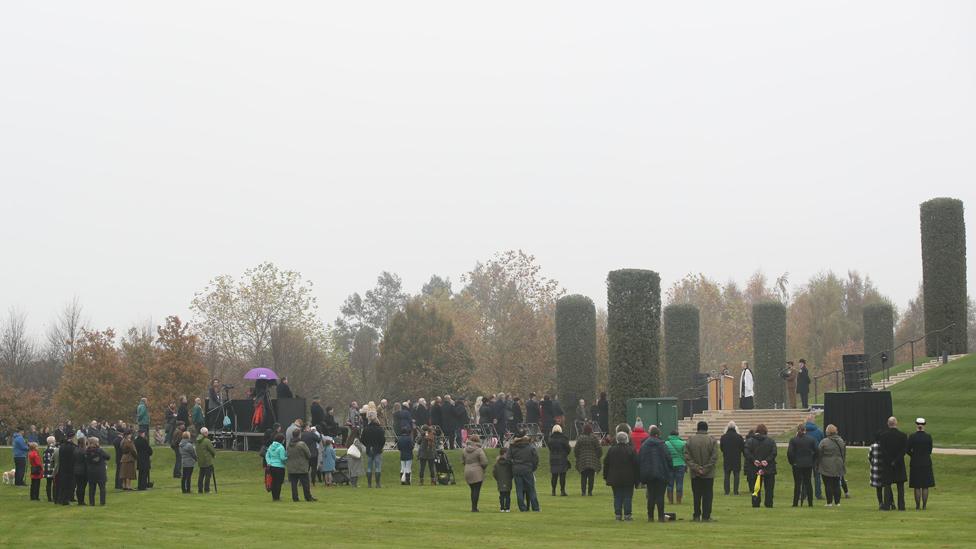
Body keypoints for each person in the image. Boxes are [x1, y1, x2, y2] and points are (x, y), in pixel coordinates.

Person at [684, 421, 719, 522]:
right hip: (708, 474)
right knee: (707, 495)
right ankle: (706, 516)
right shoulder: (712, 440)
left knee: (696, 495)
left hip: (695, 474)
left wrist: (696, 468)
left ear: (697, 428)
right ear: (706, 429)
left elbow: (687, 456)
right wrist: (706, 468)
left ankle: (696, 515)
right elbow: (714, 457)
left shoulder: (690, 440)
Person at [638, 425, 673, 522]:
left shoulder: (644, 445)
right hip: (661, 473)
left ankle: (650, 517)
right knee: (660, 496)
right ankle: (661, 517)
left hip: (648, 473)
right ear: (657, 434)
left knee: (651, 495)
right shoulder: (662, 444)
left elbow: (640, 458)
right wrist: (670, 468)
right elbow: (668, 458)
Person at [604, 431, 639, 521]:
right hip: (629, 478)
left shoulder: (611, 450)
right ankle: (627, 514)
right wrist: (637, 478)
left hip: (615, 478)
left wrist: (606, 476)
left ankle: (618, 514)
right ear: (626, 439)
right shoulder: (631, 450)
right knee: (628, 497)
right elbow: (636, 465)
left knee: (617, 496)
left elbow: (606, 464)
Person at [879, 416, 908, 511]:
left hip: (887, 464)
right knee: (900, 487)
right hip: (899, 463)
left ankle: (887, 505)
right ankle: (901, 506)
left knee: (887, 486)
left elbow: (883, 450)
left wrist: (890, 460)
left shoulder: (883, 436)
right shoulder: (903, 435)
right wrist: (896, 460)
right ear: (896, 423)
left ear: (888, 424)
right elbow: (904, 450)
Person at [745, 423, 777, 508]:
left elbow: (747, 452)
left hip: (754, 467)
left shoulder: (750, 441)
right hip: (768, 467)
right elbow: (774, 452)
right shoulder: (771, 441)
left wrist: (753, 460)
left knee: (755, 487)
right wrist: (767, 460)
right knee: (769, 488)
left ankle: (755, 502)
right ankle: (769, 503)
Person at [906, 417, 934, 510]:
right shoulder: (928, 437)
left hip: (915, 463)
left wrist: (913, 455)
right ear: (924, 424)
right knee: (925, 486)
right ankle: (924, 506)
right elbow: (930, 451)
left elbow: (907, 450)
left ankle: (917, 506)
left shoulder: (912, 437)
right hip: (926, 462)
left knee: (917, 486)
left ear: (916, 424)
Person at [509, 430, 540, 512]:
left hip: (517, 470)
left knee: (519, 489)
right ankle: (535, 507)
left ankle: (522, 508)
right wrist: (533, 467)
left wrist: (513, 465)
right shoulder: (530, 446)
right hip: (527, 469)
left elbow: (508, 458)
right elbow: (536, 458)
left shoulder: (512, 447)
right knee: (531, 489)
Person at [787, 424, 816, 507]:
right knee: (808, 483)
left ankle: (795, 503)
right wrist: (812, 460)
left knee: (797, 484)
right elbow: (817, 451)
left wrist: (792, 462)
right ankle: (810, 503)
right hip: (808, 464)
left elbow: (790, 453)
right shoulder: (811, 440)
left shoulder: (793, 440)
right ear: (805, 430)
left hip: (797, 464)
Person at [817, 424, 846, 507]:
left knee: (828, 484)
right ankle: (838, 502)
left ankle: (829, 502)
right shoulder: (841, 441)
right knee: (837, 484)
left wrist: (818, 463)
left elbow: (819, 453)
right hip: (838, 464)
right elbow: (843, 453)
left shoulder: (824, 442)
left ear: (827, 432)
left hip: (826, 464)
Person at [286, 430, 315, 502]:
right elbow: (309, 454)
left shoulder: (289, 445)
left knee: (293, 484)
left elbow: (287, 455)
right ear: (299, 435)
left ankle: (295, 497)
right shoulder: (302, 444)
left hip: (292, 467)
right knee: (305, 484)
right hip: (302, 466)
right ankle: (308, 497)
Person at [574, 423, 603, 496]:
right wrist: (598, 456)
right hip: (592, 460)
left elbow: (576, 449)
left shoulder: (580, 438)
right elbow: (599, 449)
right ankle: (590, 492)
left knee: (583, 477)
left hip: (582, 460)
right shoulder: (594, 438)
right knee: (591, 477)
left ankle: (583, 492)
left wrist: (577, 457)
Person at [463, 433, 489, 512]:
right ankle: (474, 508)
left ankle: (473, 507)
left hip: (467, 470)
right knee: (476, 490)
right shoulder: (479, 450)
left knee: (472, 489)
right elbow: (484, 462)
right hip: (477, 471)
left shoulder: (464, 450)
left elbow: (462, 461)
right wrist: (483, 468)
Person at [720, 421, 744, 495]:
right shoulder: (739, 437)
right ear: (735, 427)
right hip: (736, 458)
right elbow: (742, 448)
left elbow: (722, 448)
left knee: (726, 475)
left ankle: (727, 491)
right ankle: (735, 491)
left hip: (727, 458)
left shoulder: (723, 437)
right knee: (736, 475)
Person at [804, 415, 825, 499]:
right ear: (813, 421)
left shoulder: (803, 431)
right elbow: (822, 443)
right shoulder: (819, 432)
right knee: (817, 477)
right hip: (816, 457)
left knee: (805, 476)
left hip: (805, 457)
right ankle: (818, 494)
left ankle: (804, 494)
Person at [362, 413, 385, 488]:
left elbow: (362, 439)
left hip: (369, 449)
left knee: (369, 467)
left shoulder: (366, 429)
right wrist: (380, 447)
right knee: (378, 467)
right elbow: (383, 440)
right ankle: (378, 484)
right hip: (378, 450)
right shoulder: (380, 429)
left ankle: (369, 484)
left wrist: (367, 445)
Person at [85, 437, 110, 506]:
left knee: (91, 488)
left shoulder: (87, 451)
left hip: (91, 471)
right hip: (100, 471)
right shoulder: (100, 450)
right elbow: (108, 457)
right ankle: (102, 502)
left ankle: (91, 502)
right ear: (96, 443)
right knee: (102, 488)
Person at [664, 429, 686, 505]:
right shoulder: (683, 443)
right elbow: (685, 454)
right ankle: (678, 500)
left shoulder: (666, 443)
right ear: (677, 435)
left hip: (670, 465)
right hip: (680, 464)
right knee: (679, 483)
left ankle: (670, 501)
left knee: (670, 484)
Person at [265, 433, 287, 501]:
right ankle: (277, 497)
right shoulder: (281, 447)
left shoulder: (271, 446)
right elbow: (282, 458)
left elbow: (267, 455)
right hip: (279, 467)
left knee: (273, 482)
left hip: (271, 466)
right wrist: (287, 458)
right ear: (282, 440)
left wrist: (269, 462)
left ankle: (274, 497)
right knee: (279, 482)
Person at [56, 435, 77, 504]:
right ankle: (66, 500)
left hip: (62, 468)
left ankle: (60, 499)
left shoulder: (62, 447)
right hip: (70, 468)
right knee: (68, 485)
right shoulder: (71, 447)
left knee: (62, 484)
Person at [492, 447, 514, 512]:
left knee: (501, 495)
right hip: (508, 480)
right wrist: (510, 478)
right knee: (507, 495)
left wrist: (498, 479)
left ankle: (502, 508)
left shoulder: (496, 463)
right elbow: (512, 472)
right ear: (504, 453)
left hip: (500, 481)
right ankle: (507, 508)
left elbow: (494, 473)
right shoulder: (509, 463)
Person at [196, 427, 216, 494]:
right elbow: (212, 450)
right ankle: (206, 489)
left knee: (201, 476)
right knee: (208, 476)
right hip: (207, 461)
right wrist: (213, 455)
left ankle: (200, 489)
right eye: (207, 432)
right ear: (204, 433)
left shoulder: (197, 441)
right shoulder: (207, 441)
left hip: (200, 461)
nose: (207, 433)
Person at [869, 431, 885, 510]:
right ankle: (890, 502)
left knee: (879, 488)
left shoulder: (873, 446)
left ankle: (880, 503)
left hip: (876, 469)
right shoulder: (885, 446)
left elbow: (870, 457)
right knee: (887, 486)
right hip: (884, 468)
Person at [73, 434, 88, 504]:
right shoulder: (84, 451)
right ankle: (81, 500)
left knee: (79, 486)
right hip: (83, 470)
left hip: (76, 469)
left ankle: (79, 500)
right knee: (82, 486)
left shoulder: (75, 450)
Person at [42, 436, 57, 502]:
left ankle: (49, 498)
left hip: (46, 467)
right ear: (53, 442)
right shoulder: (55, 449)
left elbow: (43, 458)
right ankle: (54, 497)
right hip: (53, 467)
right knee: (54, 483)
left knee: (48, 483)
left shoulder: (45, 449)